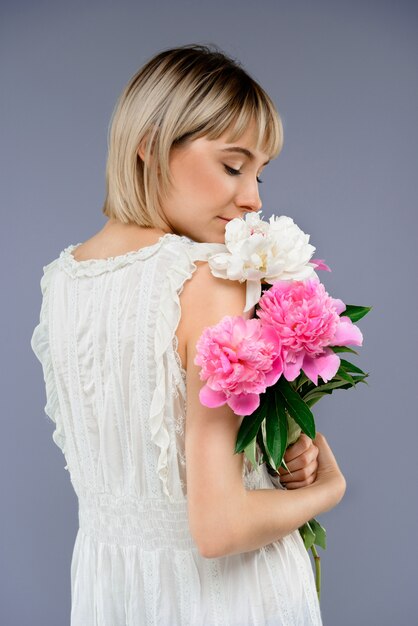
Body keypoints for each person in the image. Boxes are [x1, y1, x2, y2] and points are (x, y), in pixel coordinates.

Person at [30, 43, 346, 625]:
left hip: (115, 594)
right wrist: (325, 491)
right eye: (233, 165)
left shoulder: (63, 281)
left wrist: (273, 456)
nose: (253, 199)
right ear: (149, 144)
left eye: (258, 172)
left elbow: (158, 462)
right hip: (224, 597)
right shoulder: (209, 278)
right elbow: (220, 527)